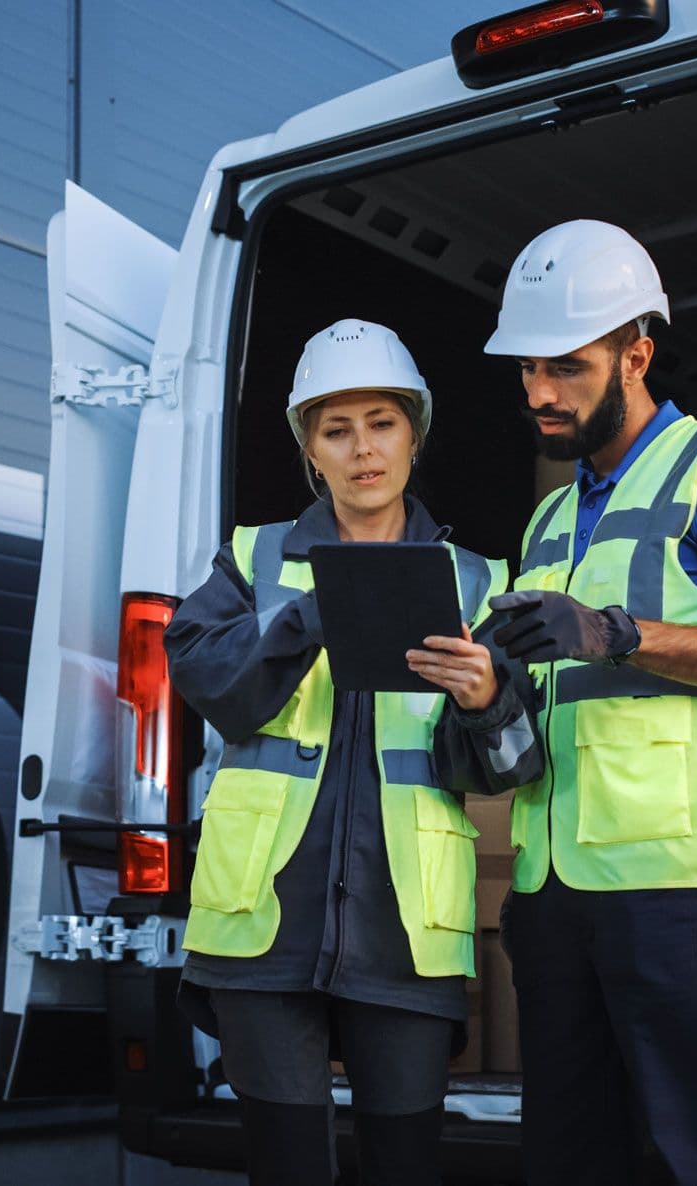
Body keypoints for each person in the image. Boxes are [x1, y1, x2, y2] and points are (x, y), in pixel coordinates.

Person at [163, 318, 541, 1186]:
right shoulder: (255, 559)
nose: (363, 450)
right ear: (310, 448)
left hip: (405, 934)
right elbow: (203, 675)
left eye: (382, 422)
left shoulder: (478, 580)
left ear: (416, 433)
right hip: (262, 927)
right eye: (337, 429)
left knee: (404, 1171)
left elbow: (516, 767)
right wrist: (305, 615)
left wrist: (487, 701)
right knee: (288, 1171)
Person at [478, 221, 697, 1185]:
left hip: (682, 889)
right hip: (549, 891)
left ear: (637, 355)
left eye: (567, 368)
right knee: (570, 1162)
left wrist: (621, 632)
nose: (540, 392)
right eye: (527, 369)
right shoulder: (546, 515)